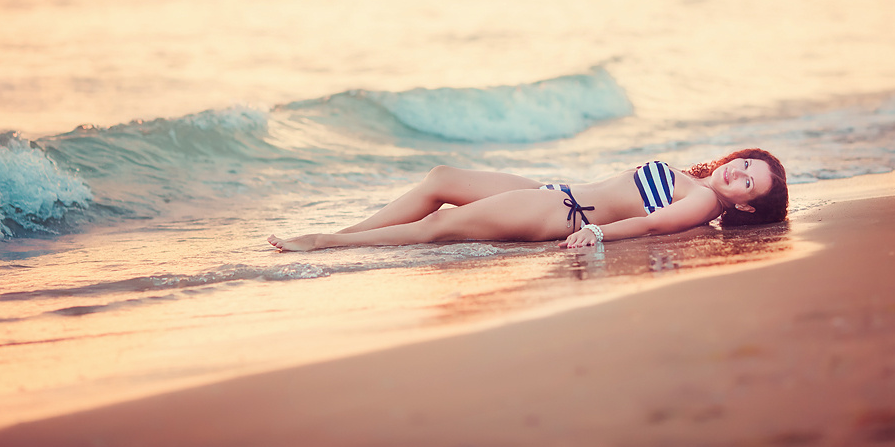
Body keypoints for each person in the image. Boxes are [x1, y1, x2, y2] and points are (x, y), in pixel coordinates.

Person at [267, 148, 788, 252]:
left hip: (562, 213)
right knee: (441, 179)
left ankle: (325, 243)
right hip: (553, 193)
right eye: (745, 164)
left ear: (745, 206)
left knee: (439, 225)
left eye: (749, 183)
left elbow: (653, 226)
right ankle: (348, 233)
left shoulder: (702, 204)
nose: (738, 173)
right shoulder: (700, 189)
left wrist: (597, 233)